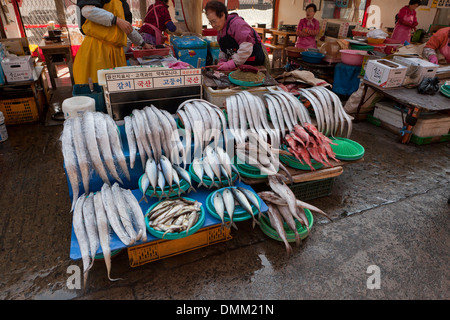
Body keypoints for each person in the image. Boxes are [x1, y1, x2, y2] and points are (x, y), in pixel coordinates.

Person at [73, 0, 152, 85]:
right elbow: (87, 11)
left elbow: (127, 27)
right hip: (97, 50)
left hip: (117, 54)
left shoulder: (123, 3)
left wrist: (142, 43)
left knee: (116, 88)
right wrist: (115, 19)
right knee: (97, 87)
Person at [204, 0, 268, 71]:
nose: (213, 25)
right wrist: (222, 62)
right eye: (210, 22)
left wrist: (231, 64)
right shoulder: (221, 30)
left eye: (214, 21)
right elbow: (223, 50)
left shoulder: (237, 24)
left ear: (222, 15)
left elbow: (246, 48)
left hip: (254, 61)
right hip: (241, 64)